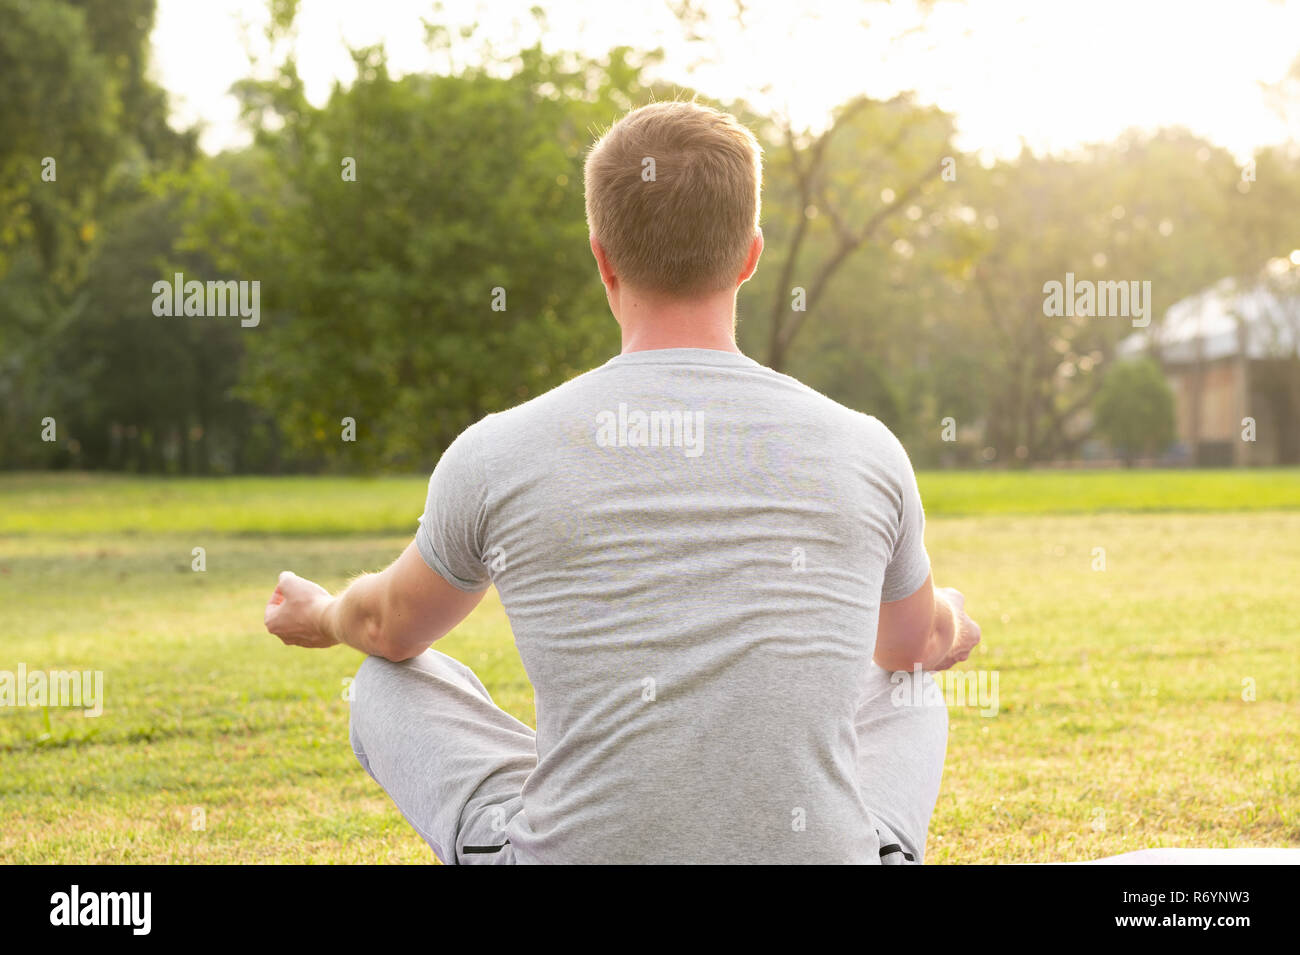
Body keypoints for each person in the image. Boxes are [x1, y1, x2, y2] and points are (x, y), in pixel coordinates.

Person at [264, 99, 981, 864]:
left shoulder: (496, 451)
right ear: (750, 254)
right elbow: (915, 643)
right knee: (911, 685)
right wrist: (949, 614)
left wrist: (324, 611)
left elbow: (387, 627)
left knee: (383, 682)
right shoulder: (866, 447)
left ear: (602, 256)